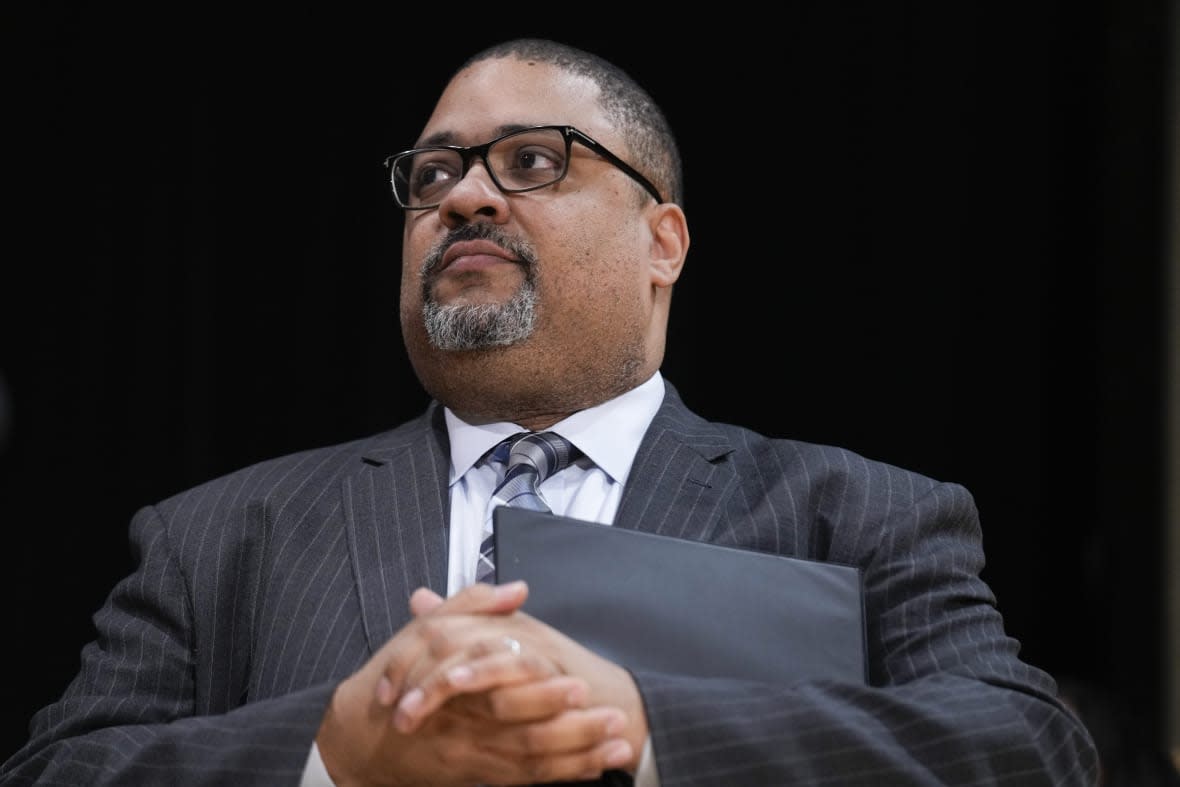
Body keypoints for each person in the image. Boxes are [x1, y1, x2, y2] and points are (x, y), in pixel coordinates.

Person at [0, 37, 1099, 786]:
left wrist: (638, 718)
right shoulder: (213, 537)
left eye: (532, 161)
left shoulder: (859, 512)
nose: (464, 196)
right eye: (433, 175)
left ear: (661, 242)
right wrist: (332, 751)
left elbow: (1029, 746)